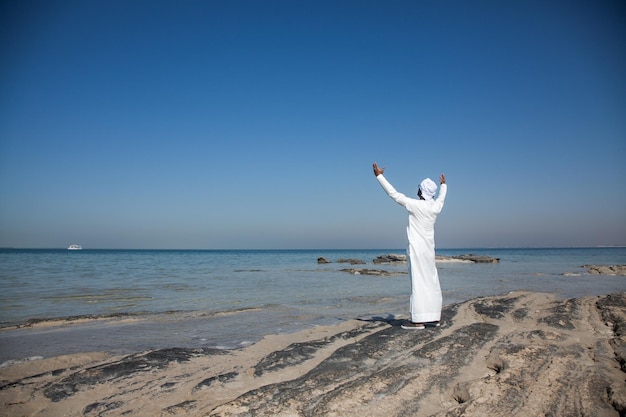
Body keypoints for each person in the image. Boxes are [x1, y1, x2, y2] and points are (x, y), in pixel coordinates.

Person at [372, 162, 447, 330]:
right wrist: (443, 186)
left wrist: (379, 176)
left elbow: (394, 195)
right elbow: (441, 198)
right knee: (431, 281)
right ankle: (434, 317)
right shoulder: (435, 207)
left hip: (417, 250)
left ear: (421, 191)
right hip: (428, 250)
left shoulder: (416, 205)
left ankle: (417, 321)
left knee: (419, 283)